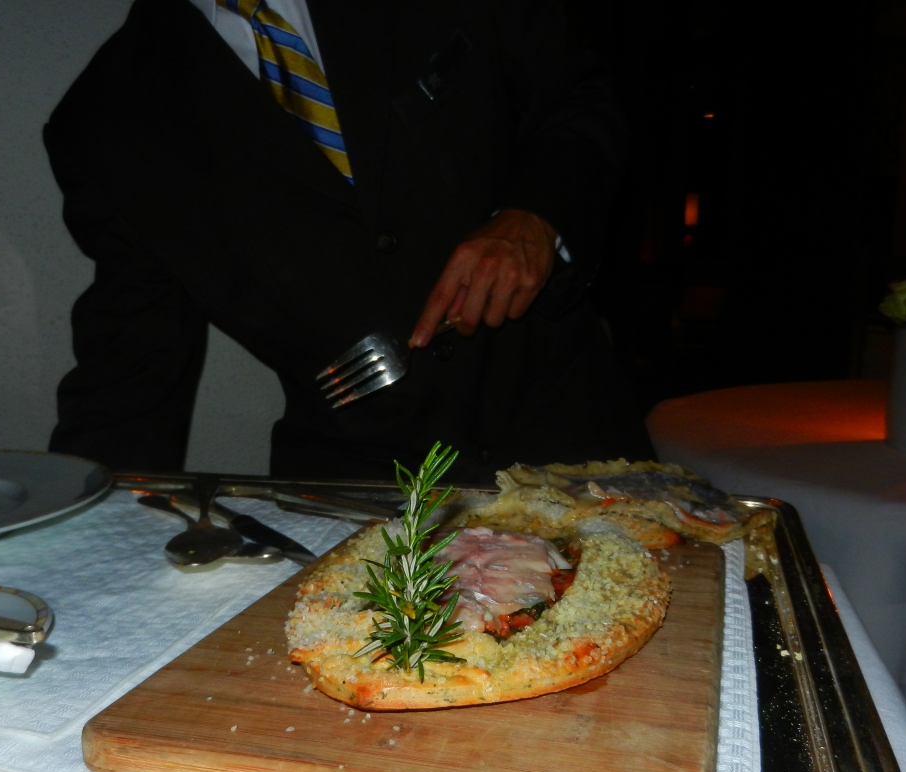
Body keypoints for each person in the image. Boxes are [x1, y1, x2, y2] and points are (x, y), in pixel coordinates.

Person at [44, 0, 654, 482]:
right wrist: (69, 533)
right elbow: (129, 376)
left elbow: (578, 98)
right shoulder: (108, 119)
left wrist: (536, 214)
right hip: (356, 483)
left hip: (571, 433)